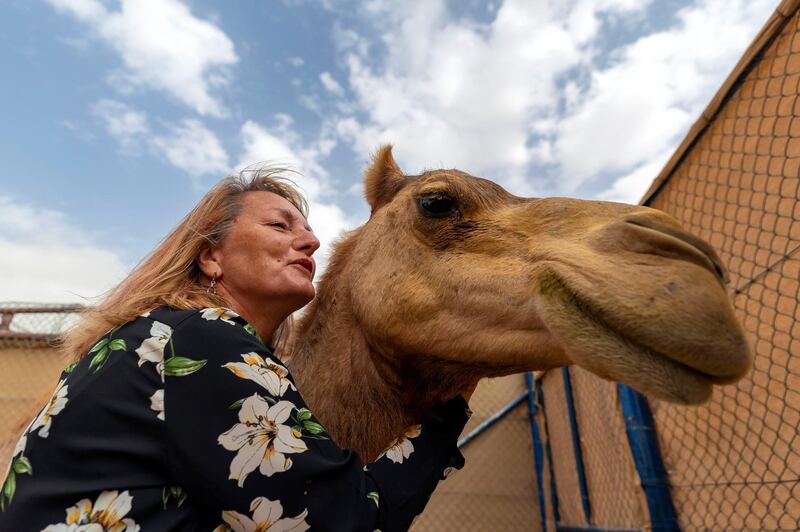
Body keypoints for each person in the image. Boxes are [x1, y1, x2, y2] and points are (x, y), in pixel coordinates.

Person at [0, 169, 472, 531]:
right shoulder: (200, 337)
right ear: (211, 256)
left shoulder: (151, 338)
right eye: (278, 224)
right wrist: (445, 410)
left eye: (305, 230)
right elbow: (343, 521)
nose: (311, 240)